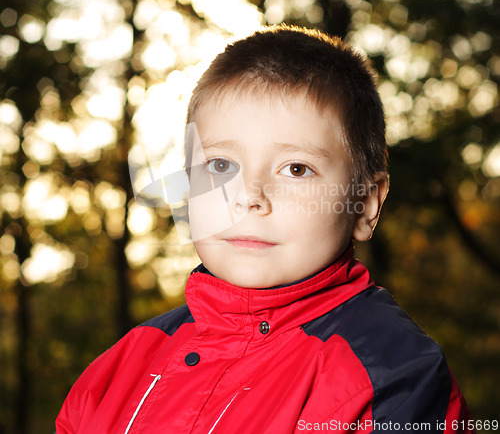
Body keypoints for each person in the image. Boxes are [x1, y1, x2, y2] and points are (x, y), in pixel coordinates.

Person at [56, 25, 474, 433]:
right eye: (220, 165)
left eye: (296, 168)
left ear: (365, 205)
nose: (249, 196)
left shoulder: (392, 375)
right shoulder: (118, 370)